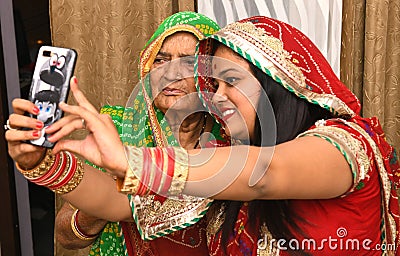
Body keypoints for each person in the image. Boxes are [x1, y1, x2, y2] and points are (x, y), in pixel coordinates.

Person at [42, 16, 400, 255]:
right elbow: (116, 203)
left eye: (232, 81)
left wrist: (132, 160)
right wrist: (43, 160)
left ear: (279, 82)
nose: (217, 95)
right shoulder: (226, 154)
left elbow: (266, 175)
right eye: (214, 84)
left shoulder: (346, 144)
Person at [5, 11, 222, 256]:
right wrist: (41, 163)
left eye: (187, 61)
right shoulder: (120, 130)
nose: (171, 73)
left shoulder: (229, 140)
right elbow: (66, 238)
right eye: (160, 60)